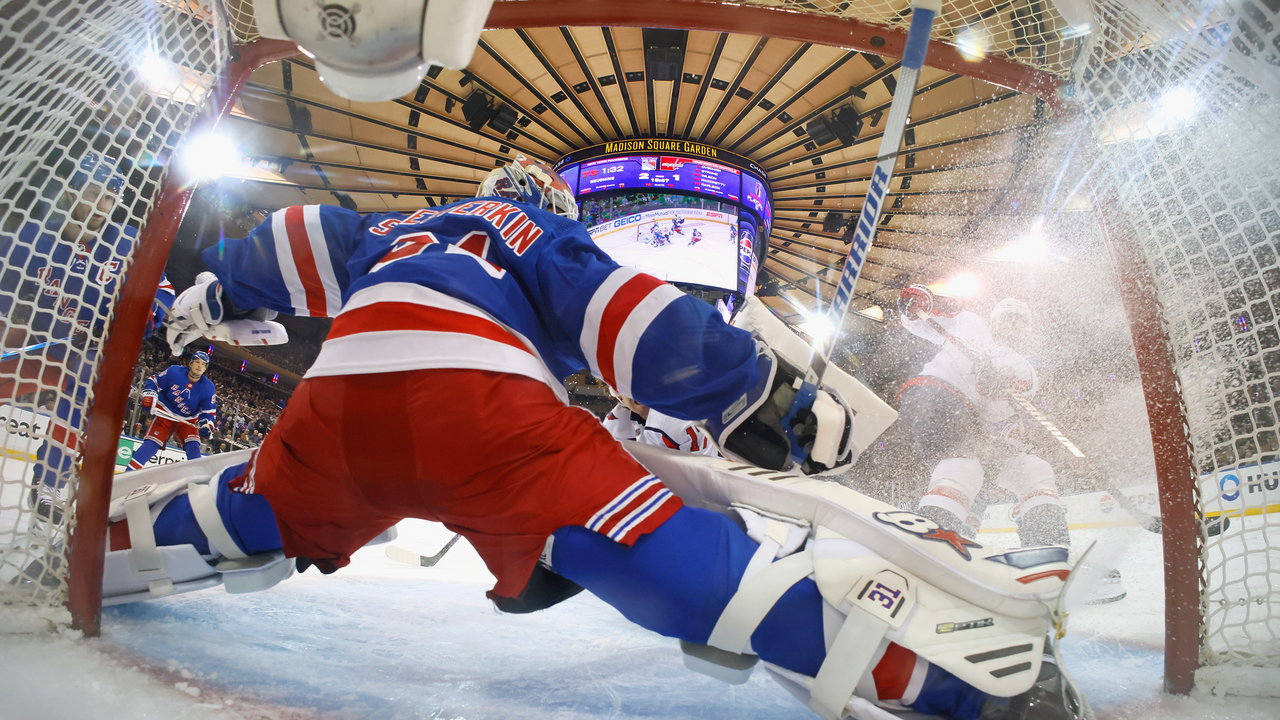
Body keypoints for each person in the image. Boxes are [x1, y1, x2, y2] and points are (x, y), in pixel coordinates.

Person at [97, 157, 1080, 720]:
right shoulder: (539, 236)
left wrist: (213, 292)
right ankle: (960, 695)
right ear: (547, 203)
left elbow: (291, 239)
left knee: (252, 511)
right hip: (486, 414)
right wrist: (767, 400)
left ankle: (93, 553)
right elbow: (635, 323)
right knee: (705, 576)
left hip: (337, 409)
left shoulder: (392, 228)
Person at [891, 287, 1124, 603]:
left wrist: (1000, 383)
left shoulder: (1024, 366)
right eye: (1007, 317)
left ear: (1027, 330)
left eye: (1020, 320)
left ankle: (1045, 557)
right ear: (995, 320)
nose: (1013, 324)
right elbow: (927, 316)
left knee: (1033, 470)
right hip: (935, 396)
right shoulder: (972, 324)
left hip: (974, 428)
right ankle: (930, 552)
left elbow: (1011, 397)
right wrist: (917, 301)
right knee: (964, 466)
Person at [0, 152, 175, 520]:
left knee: (81, 395)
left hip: (90, 350)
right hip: (41, 336)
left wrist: (138, 317)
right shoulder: (33, 236)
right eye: (94, 192)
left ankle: (48, 483)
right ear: (72, 191)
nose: (102, 205)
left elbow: (163, 293)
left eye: (111, 197)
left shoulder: (130, 242)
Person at [123, 351, 218, 470]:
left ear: (205, 369)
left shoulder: (208, 388)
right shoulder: (174, 372)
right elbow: (154, 381)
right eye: (197, 362)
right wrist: (149, 395)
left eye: (203, 364)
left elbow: (208, 411)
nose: (200, 366)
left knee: (193, 448)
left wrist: (207, 425)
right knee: (150, 445)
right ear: (190, 363)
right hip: (165, 414)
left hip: (188, 420)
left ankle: (197, 482)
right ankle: (127, 474)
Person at [602, 390, 718, 457]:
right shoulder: (615, 428)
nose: (637, 389)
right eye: (626, 384)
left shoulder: (688, 400)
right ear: (617, 394)